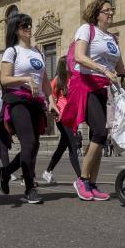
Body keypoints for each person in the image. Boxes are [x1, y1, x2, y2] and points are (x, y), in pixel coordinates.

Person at [63, 0, 125, 201]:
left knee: (102, 134)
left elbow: (121, 69)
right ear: (97, 13)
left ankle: (91, 183)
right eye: (107, 10)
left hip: (103, 89)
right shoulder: (86, 29)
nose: (111, 13)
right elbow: (79, 56)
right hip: (85, 85)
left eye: (112, 9)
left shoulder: (113, 39)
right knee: (98, 130)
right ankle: (82, 179)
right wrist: (103, 69)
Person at [0, 12, 56, 205]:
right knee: (28, 143)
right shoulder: (11, 51)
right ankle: (29, 187)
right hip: (17, 100)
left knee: (34, 146)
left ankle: (5, 172)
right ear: (16, 29)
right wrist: (25, 78)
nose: (29, 28)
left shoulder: (38, 52)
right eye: (24, 26)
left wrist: (51, 100)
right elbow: (4, 79)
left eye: (30, 25)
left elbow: (44, 81)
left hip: (36, 102)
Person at [42, 56, 82, 186]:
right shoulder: (57, 80)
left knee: (62, 146)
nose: (72, 64)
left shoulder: (74, 78)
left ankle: (48, 171)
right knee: (73, 145)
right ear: (63, 66)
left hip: (72, 118)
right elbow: (49, 96)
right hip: (61, 117)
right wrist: (54, 110)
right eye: (70, 63)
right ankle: (81, 178)